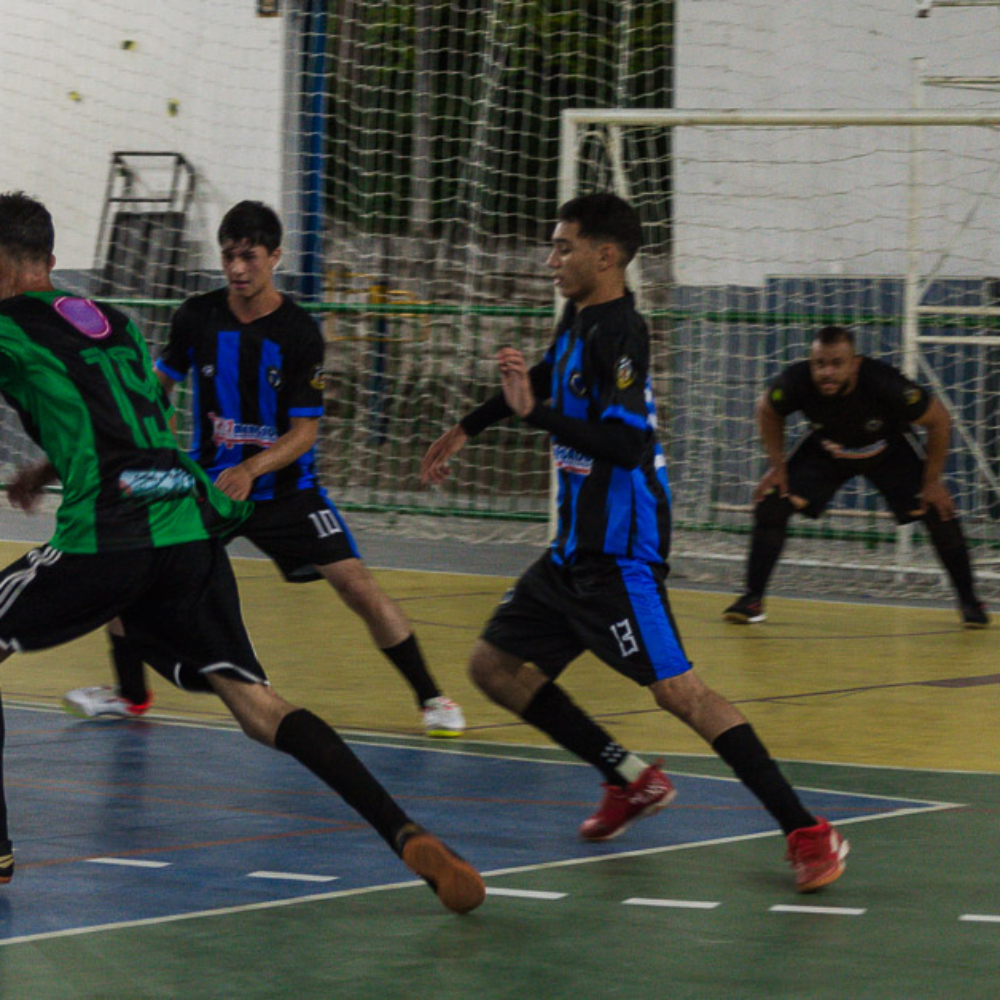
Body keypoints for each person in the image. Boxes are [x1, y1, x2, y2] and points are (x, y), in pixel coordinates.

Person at [0, 191, 484, 913]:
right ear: (52, 259)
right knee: (259, 706)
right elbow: (134, 421)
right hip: (188, 518)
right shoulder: (114, 320)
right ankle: (402, 828)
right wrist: (53, 464)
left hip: (115, 527)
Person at [421, 192, 848, 893]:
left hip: (623, 554)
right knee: (491, 666)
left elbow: (626, 443)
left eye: (563, 247)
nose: (551, 259)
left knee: (682, 693)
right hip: (574, 551)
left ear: (606, 255)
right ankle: (630, 779)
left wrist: (539, 419)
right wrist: (469, 426)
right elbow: (543, 386)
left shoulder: (622, 331)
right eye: (553, 245)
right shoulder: (578, 318)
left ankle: (808, 830)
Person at [62, 200, 465, 738]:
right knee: (124, 553)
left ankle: (432, 697)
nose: (236, 269)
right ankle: (131, 695)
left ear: (276, 256)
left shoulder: (299, 332)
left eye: (248, 257)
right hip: (203, 482)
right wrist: (113, 449)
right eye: (228, 256)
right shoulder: (197, 317)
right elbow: (154, 394)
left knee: (358, 585)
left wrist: (252, 469)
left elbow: (305, 433)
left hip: (284, 488)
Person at [722, 325, 989, 629]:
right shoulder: (795, 382)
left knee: (939, 512)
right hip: (827, 450)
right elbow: (767, 410)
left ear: (855, 363)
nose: (827, 373)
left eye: (837, 364)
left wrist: (932, 482)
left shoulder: (884, 383)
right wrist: (777, 467)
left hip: (887, 450)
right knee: (772, 503)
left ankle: (970, 601)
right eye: (819, 364)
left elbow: (939, 419)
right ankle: (752, 600)